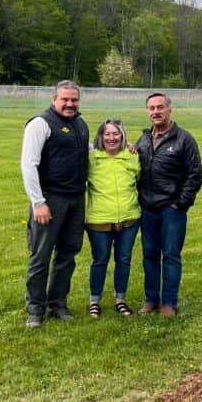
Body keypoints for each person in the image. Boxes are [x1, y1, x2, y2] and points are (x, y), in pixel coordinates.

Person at [21, 80, 89, 328]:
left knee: (68, 254)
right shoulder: (40, 124)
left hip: (76, 199)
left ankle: (58, 304)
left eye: (74, 100)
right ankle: (35, 309)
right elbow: (29, 165)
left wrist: (120, 146)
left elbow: (83, 151)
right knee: (41, 256)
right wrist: (38, 203)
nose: (70, 104)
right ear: (54, 100)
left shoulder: (80, 124)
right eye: (65, 99)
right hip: (50, 200)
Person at [135, 93, 202, 317]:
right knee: (149, 255)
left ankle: (169, 303)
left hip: (171, 209)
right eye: (152, 108)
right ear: (147, 111)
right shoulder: (144, 139)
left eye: (160, 107)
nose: (156, 112)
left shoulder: (184, 139)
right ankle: (151, 300)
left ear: (169, 110)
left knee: (171, 256)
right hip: (148, 209)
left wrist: (180, 203)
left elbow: (195, 175)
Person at [85, 119, 141, 318]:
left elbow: (141, 181)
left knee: (124, 260)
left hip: (129, 218)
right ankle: (94, 300)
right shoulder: (92, 158)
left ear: (122, 136)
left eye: (116, 133)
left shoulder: (132, 156)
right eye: (107, 134)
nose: (111, 138)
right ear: (100, 137)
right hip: (99, 220)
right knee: (100, 260)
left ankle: (120, 299)